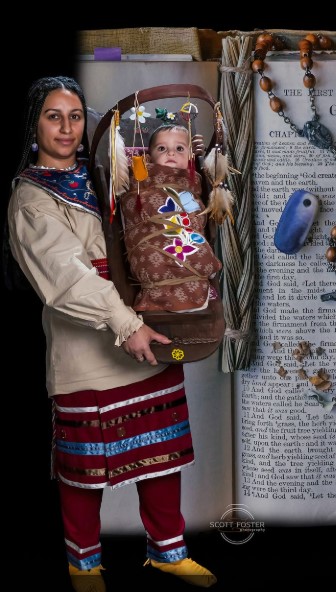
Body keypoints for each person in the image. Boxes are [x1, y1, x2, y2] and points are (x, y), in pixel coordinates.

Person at [7, 77, 217, 591]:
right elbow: (66, 280)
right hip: (93, 344)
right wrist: (127, 324)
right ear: (34, 124)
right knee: (85, 469)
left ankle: (168, 552)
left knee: (161, 449)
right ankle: (85, 565)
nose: (66, 127)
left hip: (145, 324)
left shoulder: (102, 174)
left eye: (75, 116)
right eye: (54, 116)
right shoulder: (32, 199)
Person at [120, 124, 222, 313]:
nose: (171, 153)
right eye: (162, 148)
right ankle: (160, 287)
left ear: (190, 157)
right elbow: (134, 209)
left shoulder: (192, 182)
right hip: (154, 236)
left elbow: (197, 215)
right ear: (149, 158)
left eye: (179, 149)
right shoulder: (142, 182)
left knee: (199, 251)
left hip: (183, 232)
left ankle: (197, 284)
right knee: (153, 263)